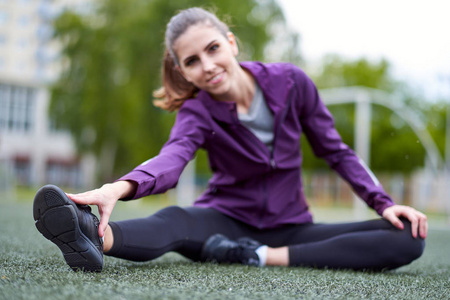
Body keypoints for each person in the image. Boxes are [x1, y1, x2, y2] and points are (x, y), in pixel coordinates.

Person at [33, 7, 427, 273]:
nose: (207, 66)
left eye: (212, 49)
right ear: (183, 73)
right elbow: (172, 159)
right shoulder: (197, 111)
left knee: (408, 236)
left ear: (232, 43)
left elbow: (336, 151)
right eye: (191, 61)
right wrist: (117, 188)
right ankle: (90, 233)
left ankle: (261, 256)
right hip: (223, 224)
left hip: (292, 228)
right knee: (175, 220)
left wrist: (385, 204)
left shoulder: (292, 83)